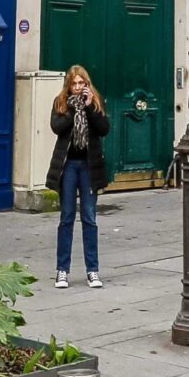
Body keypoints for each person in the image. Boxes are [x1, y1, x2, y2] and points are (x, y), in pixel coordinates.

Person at [47, 65, 110, 287]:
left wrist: (90, 106)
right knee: (66, 218)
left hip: (89, 166)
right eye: (73, 83)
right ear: (68, 85)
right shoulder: (61, 102)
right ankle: (62, 270)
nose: (77, 87)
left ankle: (92, 270)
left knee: (89, 218)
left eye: (81, 83)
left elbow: (104, 129)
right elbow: (57, 127)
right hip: (68, 166)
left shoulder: (96, 102)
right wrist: (74, 109)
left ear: (87, 84)